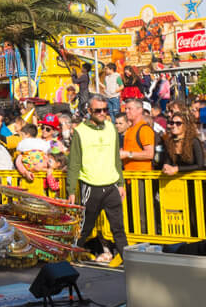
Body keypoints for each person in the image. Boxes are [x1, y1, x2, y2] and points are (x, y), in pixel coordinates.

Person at [67, 94, 127, 266]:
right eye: (98, 110)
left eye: (105, 110)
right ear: (89, 111)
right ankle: (72, 255)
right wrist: (71, 190)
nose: (102, 113)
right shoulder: (80, 131)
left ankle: (127, 260)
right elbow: (74, 163)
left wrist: (120, 183)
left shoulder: (111, 128)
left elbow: (116, 158)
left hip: (111, 185)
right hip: (90, 186)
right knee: (85, 227)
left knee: (118, 228)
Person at [161, 109, 206, 175]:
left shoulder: (194, 141)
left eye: (178, 123)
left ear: (186, 126)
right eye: (172, 123)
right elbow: (167, 162)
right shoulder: (170, 142)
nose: (174, 126)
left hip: (196, 182)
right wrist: (166, 166)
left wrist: (177, 169)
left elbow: (200, 165)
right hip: (179, 182)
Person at [121, 99, 156, 171]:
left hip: (141, 177)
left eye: (130, 109)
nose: (126, 111)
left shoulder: (144, 129)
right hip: (129, 175)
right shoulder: (129, 129)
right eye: (126, 109)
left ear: (140, 110)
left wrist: (127, 154)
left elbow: (149, 154)